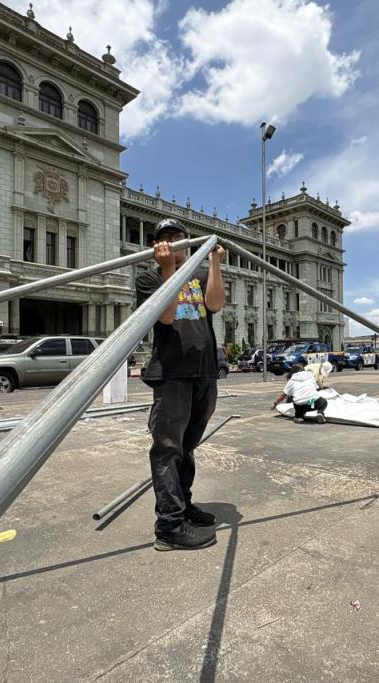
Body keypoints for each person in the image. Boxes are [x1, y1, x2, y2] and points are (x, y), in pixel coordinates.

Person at [135, 218, 225, 552]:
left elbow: (215, 304)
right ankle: (169, 526)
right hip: (172, 373)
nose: (173, 242)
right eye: (166, 238)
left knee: (187, 448)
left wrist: (213, 262)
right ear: (157, 245)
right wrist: (167, 269)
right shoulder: (148, 278)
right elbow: (167, 315)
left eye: (178, 237)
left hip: (204, 371)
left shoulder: (199, 276)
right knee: (167, 449)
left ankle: (184, 507)